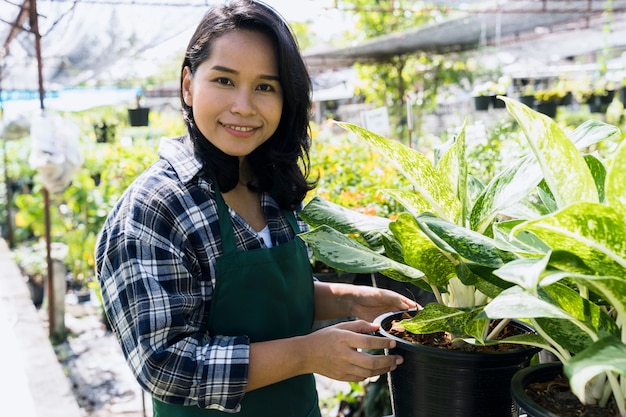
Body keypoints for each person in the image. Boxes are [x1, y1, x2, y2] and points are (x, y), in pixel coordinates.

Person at [95, 1, 418, 415]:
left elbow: (268, 300)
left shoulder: (270, 186)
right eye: (225, 81)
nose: (244, 106)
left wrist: (347, 299)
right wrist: (307, 354)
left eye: (266, 86)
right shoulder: (155, 208)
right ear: (189, 84)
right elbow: (165, 365)